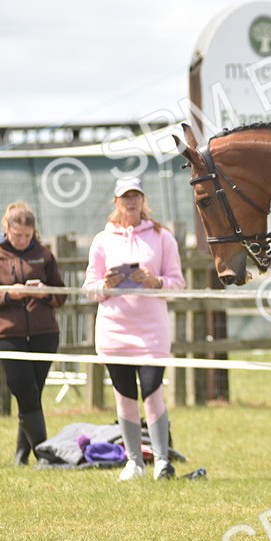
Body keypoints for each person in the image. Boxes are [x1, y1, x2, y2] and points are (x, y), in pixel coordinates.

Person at [84, 177, 185, 481]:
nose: (131, 202)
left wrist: (155, 282)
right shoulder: (102, 240)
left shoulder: (162, 237)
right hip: (114, 333)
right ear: (116, 201)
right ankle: (134, 462)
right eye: (125, 197)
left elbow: (177, 283)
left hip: (152, 333)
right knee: (124, 397)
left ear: (143, 200)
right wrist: (105, 285)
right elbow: (89, 288)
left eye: (135, 196)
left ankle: (163, 460)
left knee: (153, 393)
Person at [0, 202, 67, 465]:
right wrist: (9, 294)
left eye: (27, 235)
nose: (23, 240)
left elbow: (61, 294)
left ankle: (21, 456)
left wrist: (45, 292)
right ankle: (44, 455)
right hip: (7, 334)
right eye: (17, 235)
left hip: (45, 332)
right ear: (6, 228)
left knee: (32, 394)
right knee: (23, 389)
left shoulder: (44, 254)